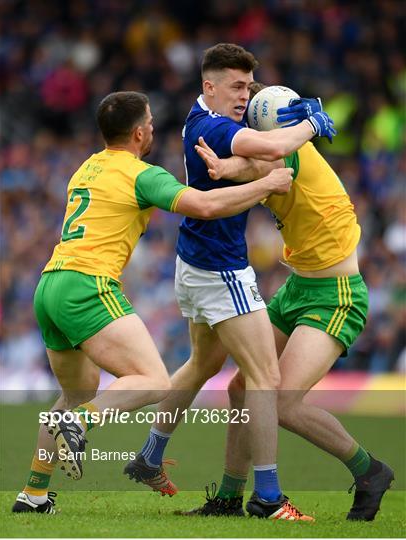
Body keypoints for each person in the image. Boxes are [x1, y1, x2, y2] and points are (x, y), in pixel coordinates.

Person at [12, 90, 295, 514]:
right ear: (141, 132)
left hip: (49, 285)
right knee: (151, 380)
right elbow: (201, 206)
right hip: (86, 285)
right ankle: (80, 423)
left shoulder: (86, 167)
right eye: (149, 122)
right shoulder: (142, 174)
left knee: (76, 392)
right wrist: (265, 185)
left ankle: (33, 494)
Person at [125, 43, 336, 521]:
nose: (245, 95)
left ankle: (151, 454)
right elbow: (275, 151)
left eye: (248, 86)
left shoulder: (201, 119)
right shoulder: (215, 126)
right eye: (237, 86)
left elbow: (252, 161)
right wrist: (311, 123)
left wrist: (272, 124)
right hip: (221, 270)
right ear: (210, 86)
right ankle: (267, 498)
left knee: (201, 364)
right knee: (265, 379)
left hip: (193, 262)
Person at [173, 82, 395, 522]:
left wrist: (222, 166)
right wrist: (225, 164)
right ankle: (229, 499)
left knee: (280, 400)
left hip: (337, 295)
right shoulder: (281, 150)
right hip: (298, 288)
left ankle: (370, 471)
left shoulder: (287, 152)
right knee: (242, 387)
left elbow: (251, 162)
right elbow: (253, 161)